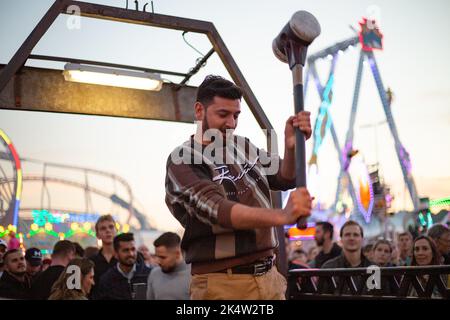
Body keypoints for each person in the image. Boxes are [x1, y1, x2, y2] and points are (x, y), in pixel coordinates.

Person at [165, 75, 313, 300]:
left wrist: (290, 145)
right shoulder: (183, 159)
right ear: (199, 111)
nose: (231, 123)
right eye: (223, 114)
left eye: (236, 115)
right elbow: (218, 210)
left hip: (269, 277)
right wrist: (283, 215)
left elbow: (285, 177)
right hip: (223, 283)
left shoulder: (243, 145)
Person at [319, 221, 372, 294]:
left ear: (362, 239)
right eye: (347, 235)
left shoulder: (374, 269)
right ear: (341, 239)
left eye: (356, 235)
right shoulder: (328, 267)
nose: (351, 238)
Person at [95, 233, 151, 300]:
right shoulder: (107, 280)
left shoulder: (148, 275)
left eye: (133, 249)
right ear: (115, 254)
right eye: (126, 250)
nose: (131, 254)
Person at [147, 232, 191, 300]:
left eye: (163, 257)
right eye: (157, 256)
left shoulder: (194, 275)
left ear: (177, 254)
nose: (158, 261)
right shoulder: (154, 274)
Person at [89, 214, 118, 297]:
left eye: (111, 227)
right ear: (97, 235)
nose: (108, 230)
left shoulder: (124, 259)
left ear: (117, 230)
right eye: (103, 228)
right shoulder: (91, 261)